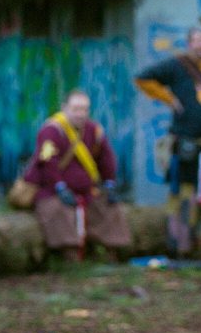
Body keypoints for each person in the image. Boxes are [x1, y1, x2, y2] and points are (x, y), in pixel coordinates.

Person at [134, 23, 201, 259]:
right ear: (190, 43)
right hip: (185, 144)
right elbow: (142, 79)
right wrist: (168, 98)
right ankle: (181, 248)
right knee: (182, 196)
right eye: (197, 40)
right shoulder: (176, 65)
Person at [25, 89, 131, 261]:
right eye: (76, 109)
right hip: (52, 190)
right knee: (56, 210)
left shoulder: (94, 130)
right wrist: (60, 187)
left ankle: (113, 252)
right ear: (65, 108)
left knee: (109, 207)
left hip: (86, 190)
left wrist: (110, 184)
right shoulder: (52, 131)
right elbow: (47, 162)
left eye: (84, 109)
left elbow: (106, 158)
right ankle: (69, 256)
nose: (80, 114)